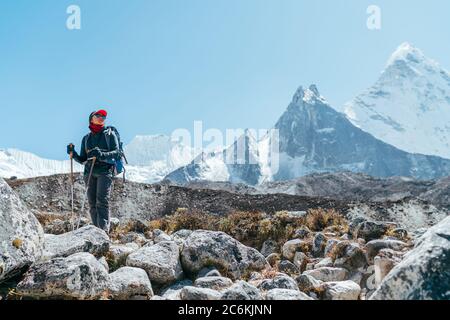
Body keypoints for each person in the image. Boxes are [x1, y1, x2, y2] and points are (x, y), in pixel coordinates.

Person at [67, 109, 119, 233]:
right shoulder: (86, 138)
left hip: (105, 171)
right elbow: (83, 159)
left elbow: (117, 153)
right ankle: (97, 231)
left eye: (103, 116)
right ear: (91, 119)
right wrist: (73, 154)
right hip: (89, 172)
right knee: (92, 203)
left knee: (102, 201)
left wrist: (101, 154)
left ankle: (103, 232)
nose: (102, 117)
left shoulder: (110, 134)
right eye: (98, 115)